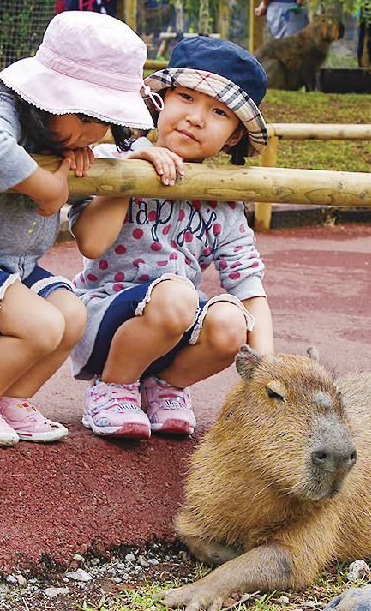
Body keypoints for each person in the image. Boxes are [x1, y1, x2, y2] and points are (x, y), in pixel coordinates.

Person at [0, 11, 155, 446]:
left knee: (72, 315)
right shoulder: (0, 107)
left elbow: (94, 238)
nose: (91, 132)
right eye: (81, 115)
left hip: (14, 268)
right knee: (42, 326)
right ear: (45, 97)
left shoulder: (71, 143)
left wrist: (127, 163)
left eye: (101, 120)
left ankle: (11, 399)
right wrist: (45, 187)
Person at [68, 36, 274, 439]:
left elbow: (250, 290)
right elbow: (89, 242)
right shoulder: (117, 161)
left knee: (233, 323)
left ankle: (163, 386)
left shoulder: (222, 202)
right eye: (184, 97)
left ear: (234, 136)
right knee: (179, 296)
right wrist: (131, 174)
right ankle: (112, 387)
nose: (196, 117)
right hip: (103, 319)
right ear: (159, 101)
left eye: (218, 111)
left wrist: (268, 376)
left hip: (175, 327)